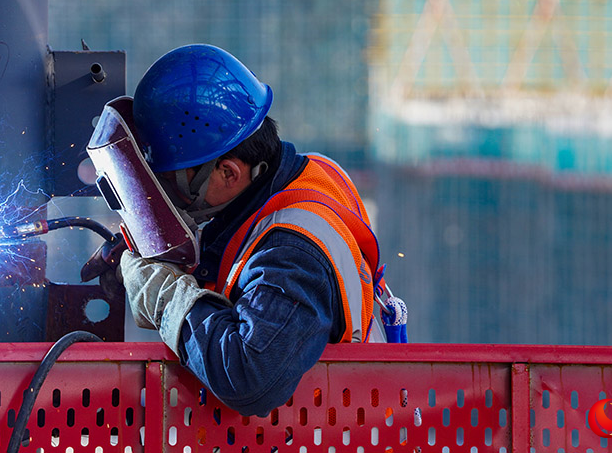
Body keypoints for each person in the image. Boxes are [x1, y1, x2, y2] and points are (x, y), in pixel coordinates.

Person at [82, 44, 395, 417]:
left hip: (330, 432)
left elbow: (249, 377)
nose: (169, 195)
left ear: (229, 172)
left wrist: (162, 292)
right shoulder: (302, 175)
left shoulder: (295, 249)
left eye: (174, 182)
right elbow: (244, 273)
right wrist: (160, 253)